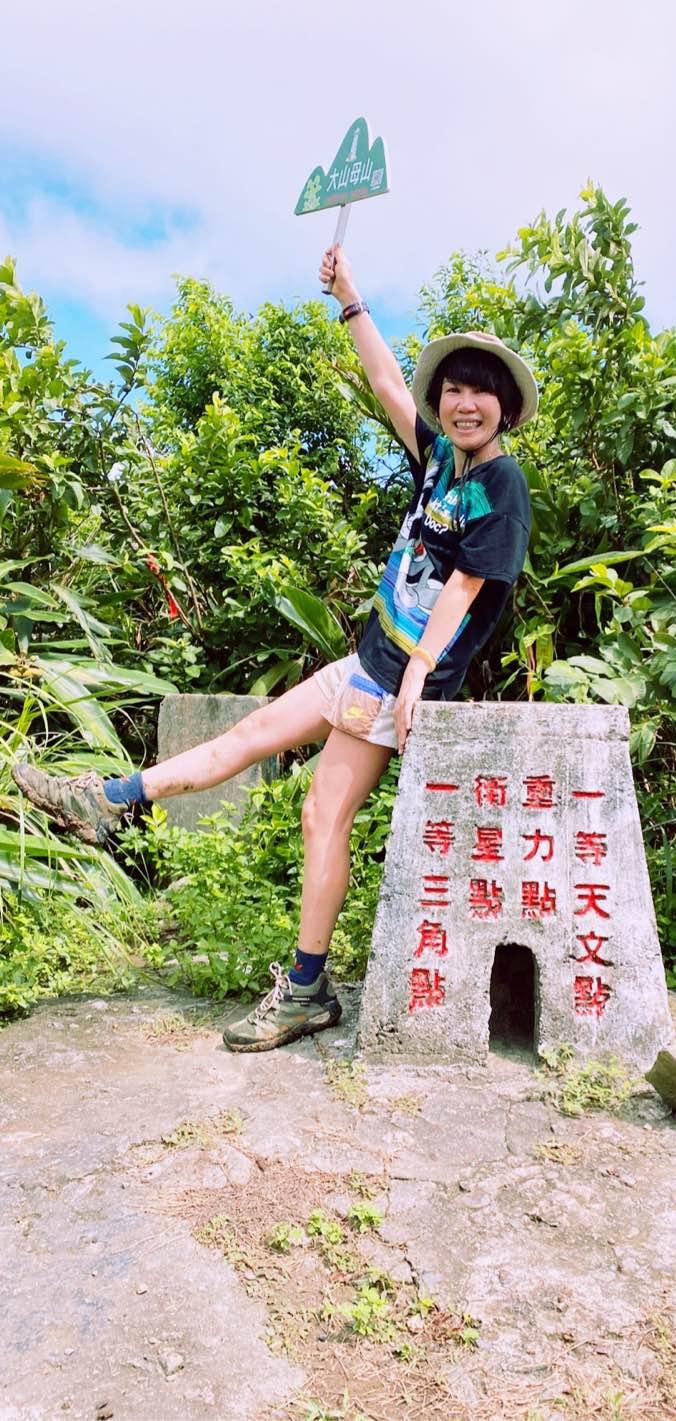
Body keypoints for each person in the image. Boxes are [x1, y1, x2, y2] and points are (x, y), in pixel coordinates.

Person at [12, 245, 538, 1053]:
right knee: (254, 738)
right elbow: (386, 382)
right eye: (455, 390)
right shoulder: (440, 460)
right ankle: (109, 800)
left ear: (505, 404)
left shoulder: (502, 486)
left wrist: (420, 672)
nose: (465, 404)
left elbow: (467, 587)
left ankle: (304, 988)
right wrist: (350, 296)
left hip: (396, 680)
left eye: (481, 391)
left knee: (323, 812)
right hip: (369, 662)